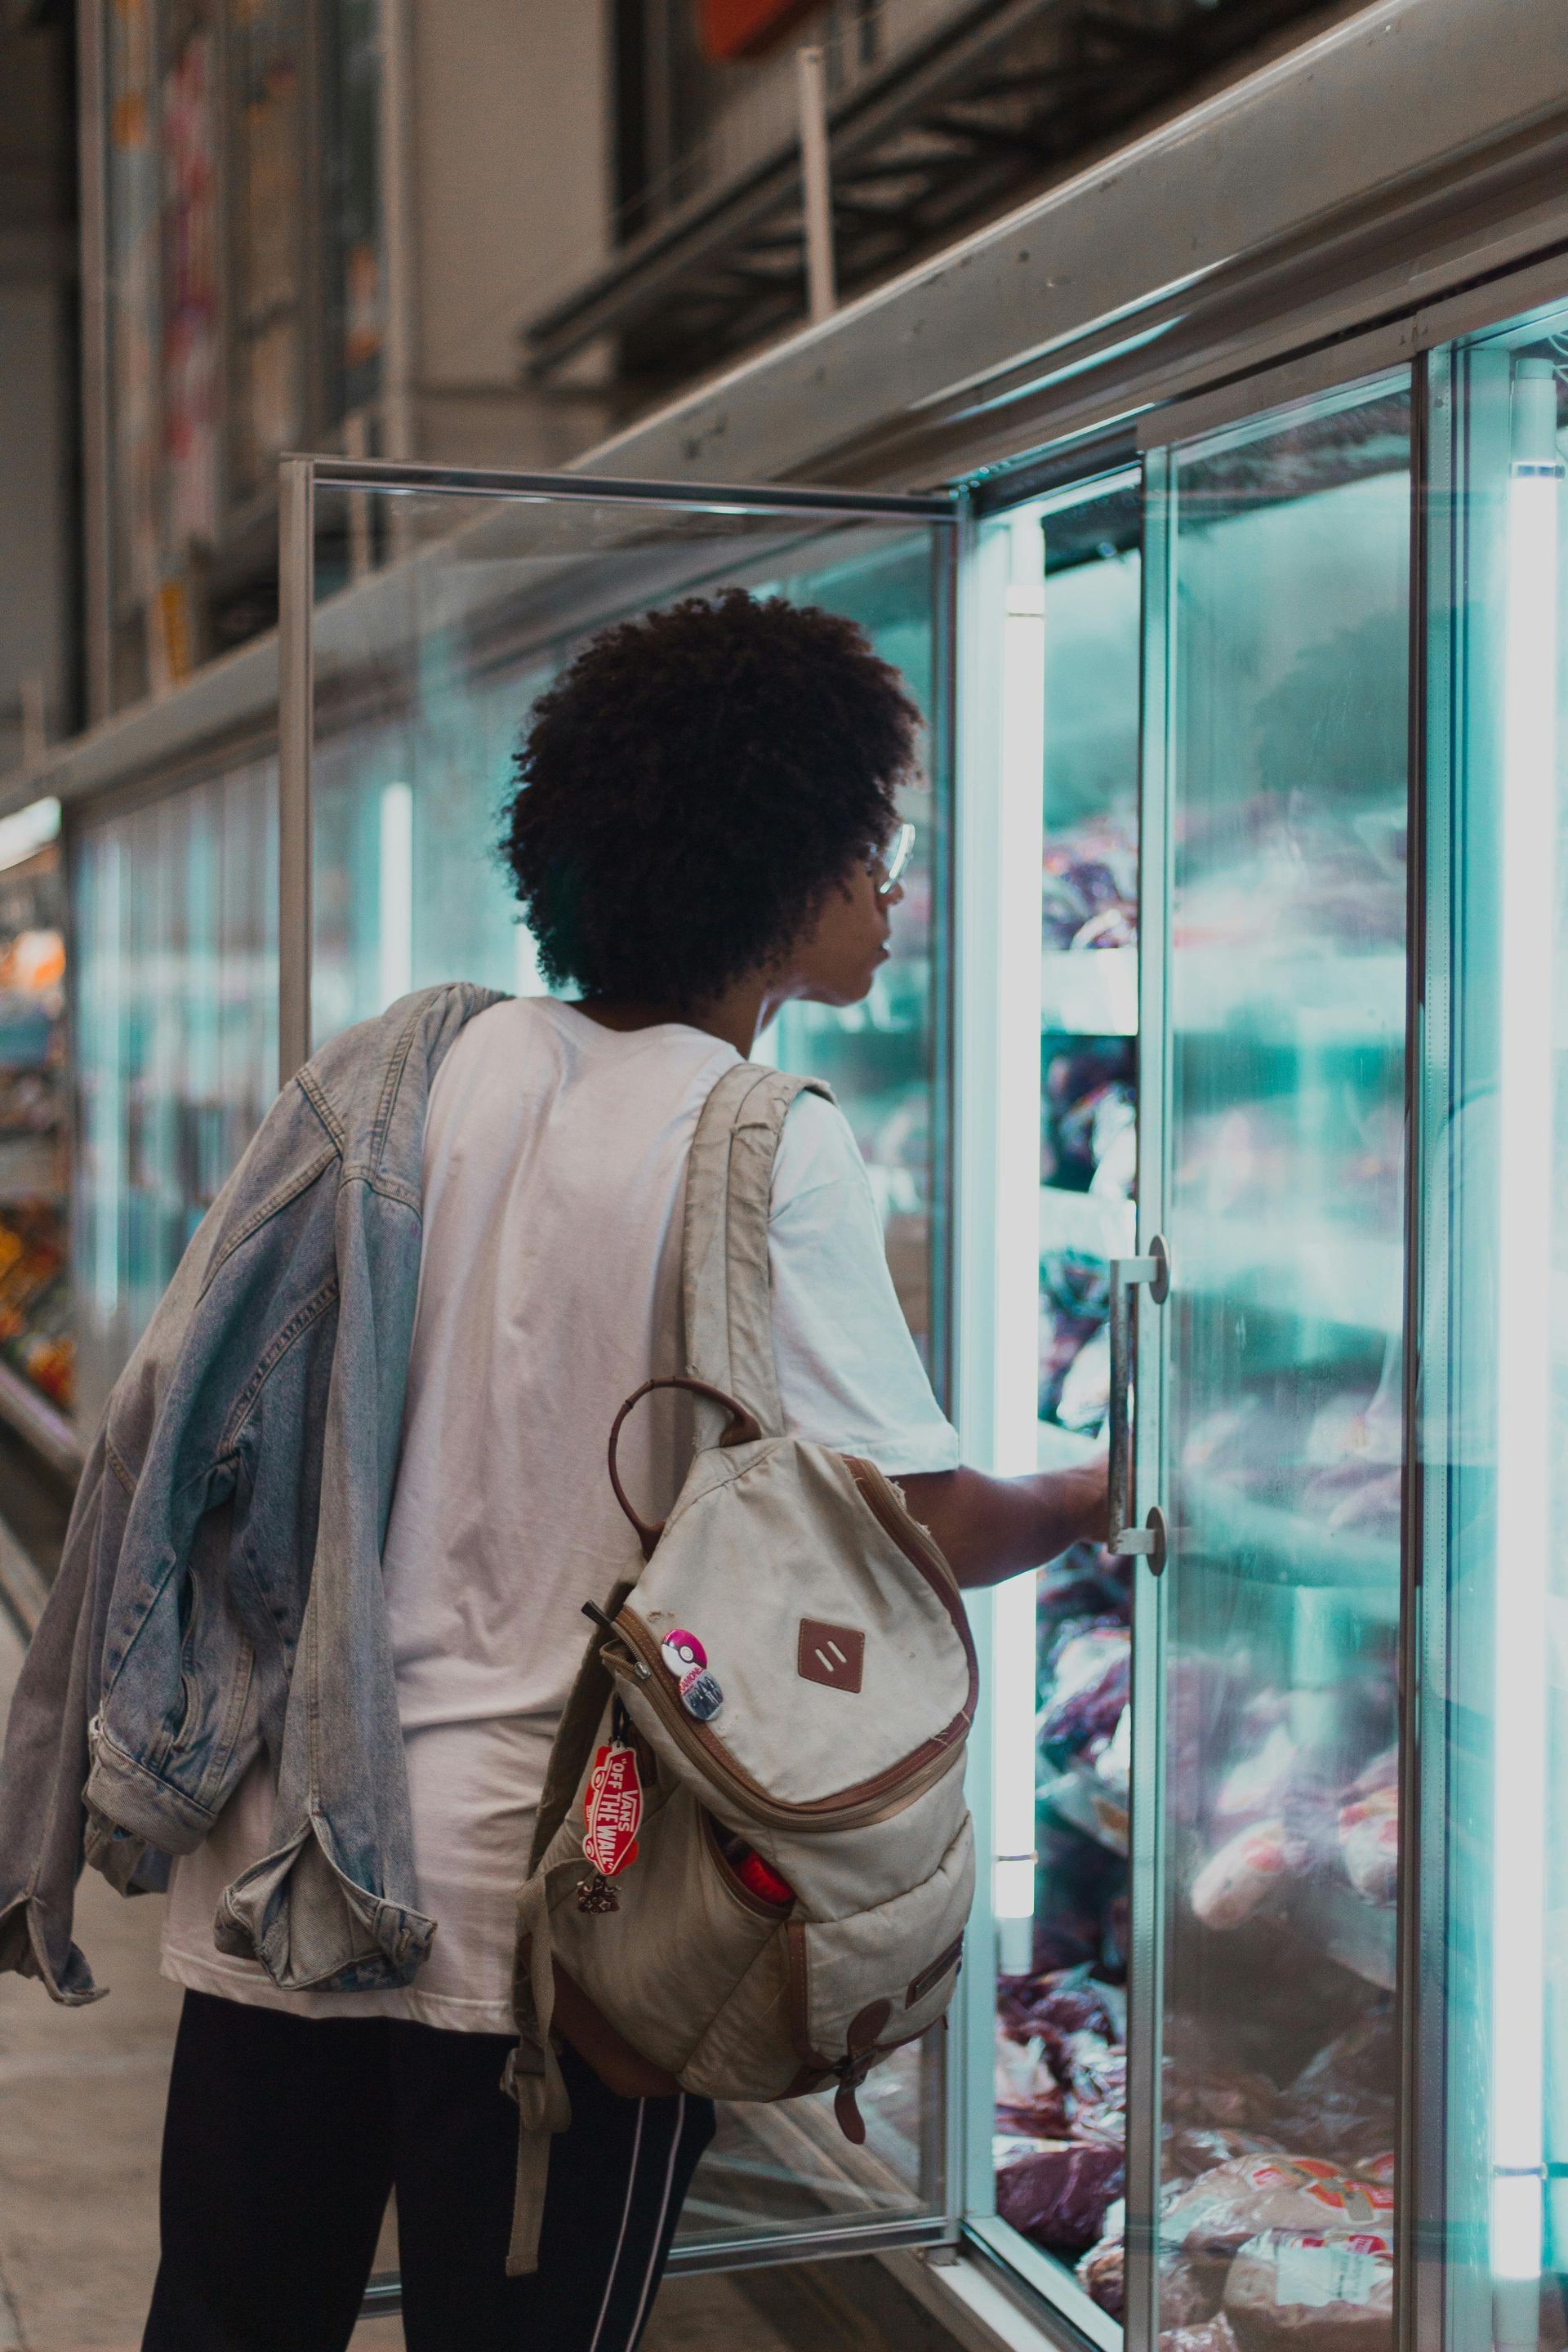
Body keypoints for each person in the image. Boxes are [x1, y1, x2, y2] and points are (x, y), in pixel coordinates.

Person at [3, 590, 1105, 2352]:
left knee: (222, 2323)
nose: (893, 901)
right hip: (567, 1929)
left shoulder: (411, 1069)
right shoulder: (763, 1144)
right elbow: (915, 1521)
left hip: (295, 1866)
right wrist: (1111, 1485)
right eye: (872, 857)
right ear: (777, 873)